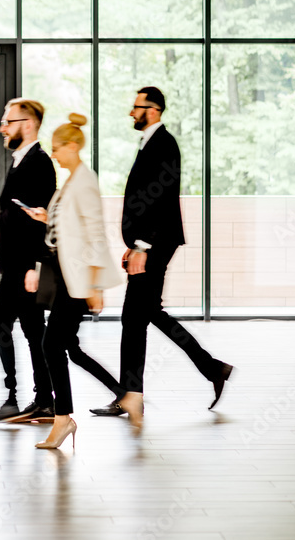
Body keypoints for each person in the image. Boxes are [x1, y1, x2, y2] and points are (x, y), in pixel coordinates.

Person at [92, 87, 233, 431]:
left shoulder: (164, 143)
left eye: (136, 107)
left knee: (134, 317)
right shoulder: (151, 142)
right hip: (150, 243)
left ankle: (132, 393)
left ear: (153, 111)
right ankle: (211, 369)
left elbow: (161, 197)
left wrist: (142, 244)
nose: (131, 113)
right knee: (145, 313)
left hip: (155, 243)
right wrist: (136, 243)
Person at [22, 114, 125, 449]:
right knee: (64, 347)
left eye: (56, 148)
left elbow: (96, 233)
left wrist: (95, 286)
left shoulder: (85, 180)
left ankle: (64, 418)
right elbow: (65, 225)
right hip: (64, 276)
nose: (53, 155)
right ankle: (120, 397)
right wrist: (44, 216)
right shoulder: (71, 181)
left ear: (72, 145)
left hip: (77, 279)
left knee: (53, 345)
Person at [0, 99, 57, 424]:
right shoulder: (19, 160)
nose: (2, 128)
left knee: (3, 323)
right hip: (12, 266)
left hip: (25, 268)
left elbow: (40, 221)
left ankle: (17, 398)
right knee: (30, 329)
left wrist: (33, 268)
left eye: (7, 122)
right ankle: (42, 399)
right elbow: (12, 216)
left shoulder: (39, 163)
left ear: (28, 124)